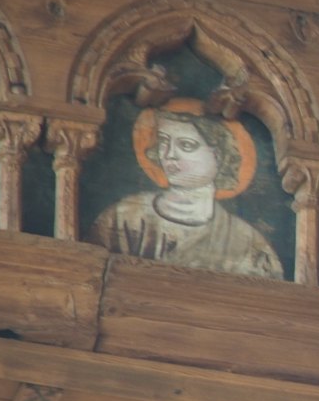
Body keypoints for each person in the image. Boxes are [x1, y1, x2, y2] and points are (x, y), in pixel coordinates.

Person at [86, 98, 283, 279]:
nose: (169, 154)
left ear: (218, 156)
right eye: (163, 142)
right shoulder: (124, 218)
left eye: (186, 145)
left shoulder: (248, 243)